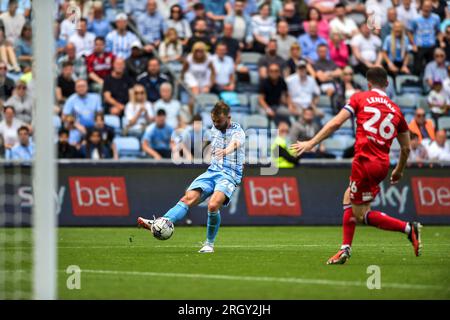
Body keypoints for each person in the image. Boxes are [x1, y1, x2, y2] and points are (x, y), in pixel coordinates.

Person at [292, 67, 422, 265]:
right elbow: (405, 149)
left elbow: (336, 123)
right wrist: (399, 170)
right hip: (382, 164)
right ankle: (345, 248)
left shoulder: (359, 98)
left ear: (368, 83)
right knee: (349, 198)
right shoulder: (396, 109)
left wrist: (311, 142)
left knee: (360, 214)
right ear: (387, 84)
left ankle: (407, 228)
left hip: (364, 162)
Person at [138, 101, 246, 253]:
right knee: (187, 199)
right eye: (213, 121)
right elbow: (188, 132)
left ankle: (209, 244)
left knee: (213, 205)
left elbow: (235, 143)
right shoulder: (214, 128)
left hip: (229, 174)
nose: (216, 124)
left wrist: (226, 151)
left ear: (228, 117)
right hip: (212, 171)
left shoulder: (237, 131)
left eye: (219, 121)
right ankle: (162, 221)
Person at [407, 0, 442, 76]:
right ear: (422, 7)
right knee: (417, 69)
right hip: (419, 46)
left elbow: (438, 31)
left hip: (431, 46)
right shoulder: (415, 19)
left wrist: (441, 41)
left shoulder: (436, 18)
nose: (427, 8)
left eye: (429, 7)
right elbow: (410, 32)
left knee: (432, 68)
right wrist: (413, 44)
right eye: (425, 6)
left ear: (431, 8)